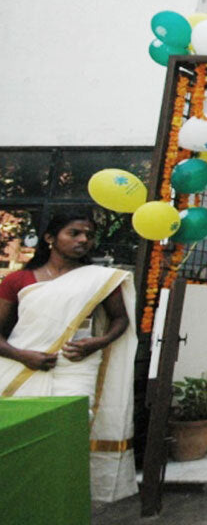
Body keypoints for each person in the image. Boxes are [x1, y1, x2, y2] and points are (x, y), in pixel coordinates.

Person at [0, 211, 137, 502]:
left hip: (77, 366)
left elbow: (120, 320)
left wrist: (97, 342)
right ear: (50, 238)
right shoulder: (18, 280)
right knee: (23, 432)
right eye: (74, 233)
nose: (84, 240)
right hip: (22, 364)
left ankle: (62, 501)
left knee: (71, 431)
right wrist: (23, 356)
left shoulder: (99, 280)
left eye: (88, 235)